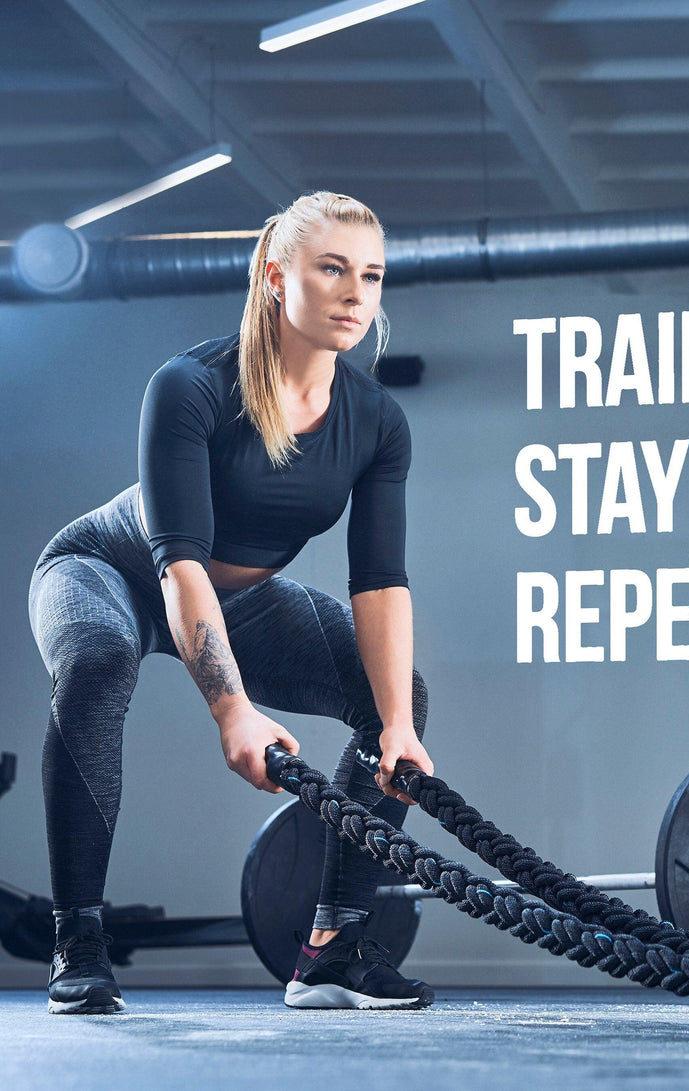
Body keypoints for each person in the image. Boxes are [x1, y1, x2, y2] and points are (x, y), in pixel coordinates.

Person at [27, 191, 435, 1014]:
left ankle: (332, 951)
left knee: (399, 701)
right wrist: (233, 711)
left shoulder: (377, 421)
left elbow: (380, 584)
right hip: (107, 570)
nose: (358, 293)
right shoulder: (190, 385)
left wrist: (396, 727)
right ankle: (79, 940)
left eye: (372, 275)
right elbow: (178, 567)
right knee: (103, 658)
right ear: (277, 277)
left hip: (238, 598)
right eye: (333, 269)